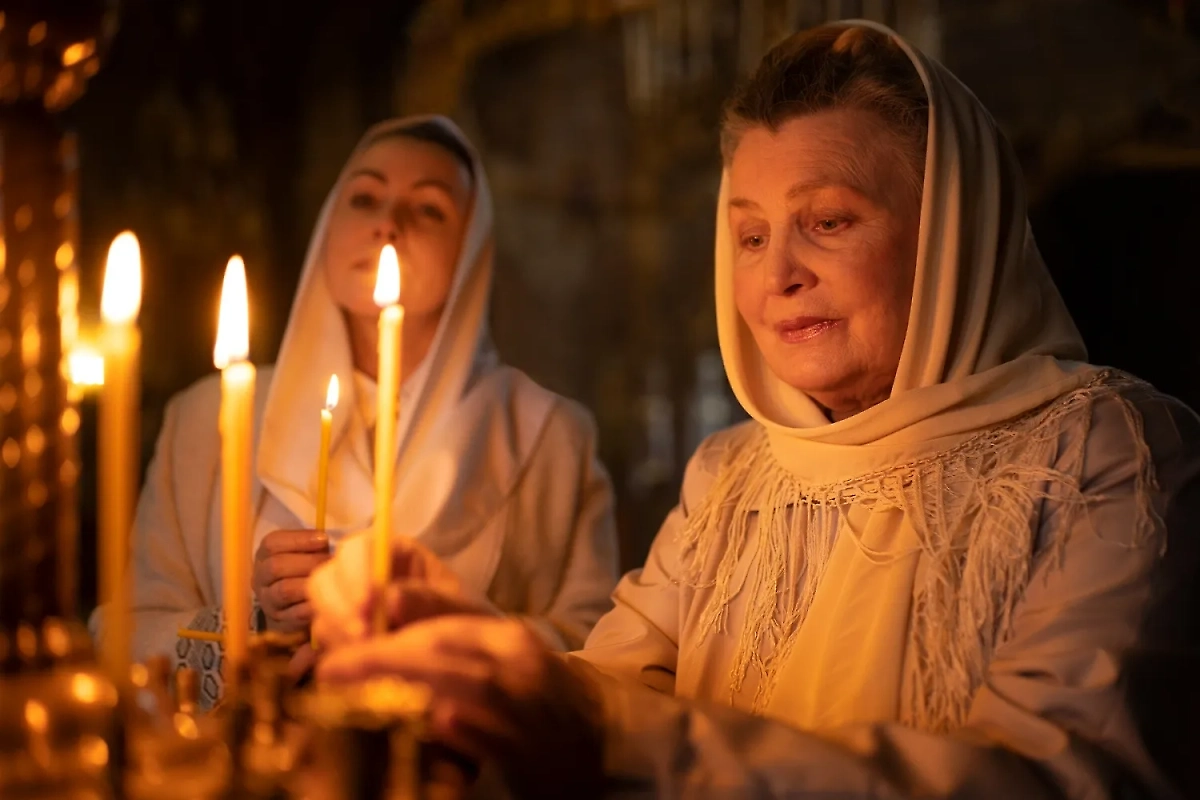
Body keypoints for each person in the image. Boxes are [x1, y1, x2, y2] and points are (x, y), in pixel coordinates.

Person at [306, 22, 1200, 800]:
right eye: (751, 234)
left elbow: (1061, 780)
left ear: (953, 238)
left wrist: (602, 737)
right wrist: (473, 652)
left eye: (831, 221)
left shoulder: (1108, 452)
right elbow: (617, 686)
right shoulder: (733, 475)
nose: (778, 277)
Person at [92, 116, 620, 709]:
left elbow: (596, 659)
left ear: (473, 251)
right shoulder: (206, 420)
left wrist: (444, 636)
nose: (387, 224)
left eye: (428, 210)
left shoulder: (547, 437)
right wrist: (257, 626)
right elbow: (124, 632)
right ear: (327, 229)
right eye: (365, 198)